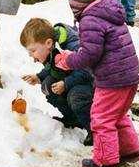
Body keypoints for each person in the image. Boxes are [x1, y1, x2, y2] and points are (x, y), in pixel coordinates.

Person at [54, 0, 139, 167]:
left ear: (78, 0)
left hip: (112, 79)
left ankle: (105, 160)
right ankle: (129, 149)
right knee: (117, 115)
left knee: (101, 118)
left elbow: (89, 55)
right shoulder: (108, 13)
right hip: (129, 74)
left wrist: (68, 60)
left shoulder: (90, 20)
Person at [21, 17, 94, 145]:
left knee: (75, 96)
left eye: (33, 51)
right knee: (48, 85)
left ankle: (94, 129)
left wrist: (66, 83)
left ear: (48, 43)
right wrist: (39, 77)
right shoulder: (52, 49)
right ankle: (73, 118)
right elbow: (54, 67)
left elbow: (86, 71)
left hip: (92, 83)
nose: (32, 56)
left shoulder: (72, 47)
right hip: (73, 79)